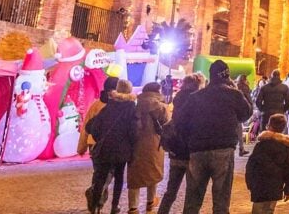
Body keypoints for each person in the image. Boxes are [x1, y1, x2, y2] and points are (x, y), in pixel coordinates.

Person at [175, 59, 253, 214]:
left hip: (198, 150)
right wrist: (240, 92)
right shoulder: (233, 94)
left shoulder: (196, 97)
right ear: (227, 76)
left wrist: (190, 141)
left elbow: (181, 123)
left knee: (193, 200)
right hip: (223, 150)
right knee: (221, 201)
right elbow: (246, 113)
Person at [85, 78, 138, 214]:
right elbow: (133, 131)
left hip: (106, 149)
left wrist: (100, 139)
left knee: (101, 178)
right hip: (122, 150)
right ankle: (115, 206)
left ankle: (96, 207)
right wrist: (132, 145)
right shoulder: (131, 107)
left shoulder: (109, 105)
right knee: (119, 178)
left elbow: (93, 127)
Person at [158, 74, 203, 214]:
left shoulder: (178, 98)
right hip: (191, 152)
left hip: (176, 150)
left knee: (170, 191)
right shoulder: (198, 100)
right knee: (192, 192)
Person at [126, 81, 169, 214]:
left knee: (134, 176)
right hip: (154, 144)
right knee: (153, 173)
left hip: (135, 144)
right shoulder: (161, 107)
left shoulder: (134, 106)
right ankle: (150, 203)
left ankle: (133, 207)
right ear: (157, 91)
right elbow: (167, 126)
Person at [245, 113, 289, 214]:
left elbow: (251, 165)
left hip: (259, 186)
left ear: (269, 126)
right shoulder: (287, 147)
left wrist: (250, 183)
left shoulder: (261, 145)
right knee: (269, 210)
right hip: (275, 186)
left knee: (258, 211)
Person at [80, 77, 120, 157]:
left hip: (95, 144)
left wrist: (81, 148)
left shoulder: (96, 105)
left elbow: (86, 126)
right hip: (117, 144)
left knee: (100, 169)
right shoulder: (123, 105)